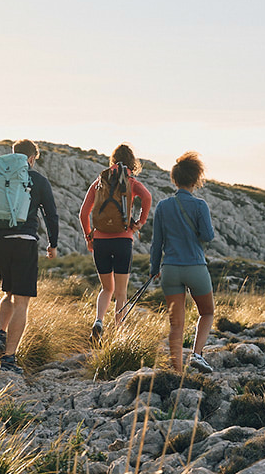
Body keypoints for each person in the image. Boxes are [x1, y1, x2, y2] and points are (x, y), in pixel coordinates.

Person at [0, 139, 59, 373]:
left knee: (8, 292)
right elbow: (51, 214)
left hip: (0, 242)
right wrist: (53, 243)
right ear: (31, 158)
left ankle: (0, 333)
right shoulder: (36, 180)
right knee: (22, 302)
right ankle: (9, 358)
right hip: (25, 242)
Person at [150, 151, 215, 374]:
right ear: (196, 179)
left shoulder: (162, 206)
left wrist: (153, 269)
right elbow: (207, 236)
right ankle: (196, 355)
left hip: (170, 270)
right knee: (206, 313)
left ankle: (176, 372)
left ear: (174, 179)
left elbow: (156, 242)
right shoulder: (200, 206)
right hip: (195, 267)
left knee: (176, 324)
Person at [79, 143, 152, 341]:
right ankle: (119, 333)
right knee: (121, 291)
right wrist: (140, 223)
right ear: (132, 163)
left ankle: (99, 321)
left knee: (106, 288)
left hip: (100, 241)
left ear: (112, 161)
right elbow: (147, 197)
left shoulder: (99, 182)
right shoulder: (131, 182)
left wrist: (89, 237)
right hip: (123, 240)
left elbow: (83, 213)